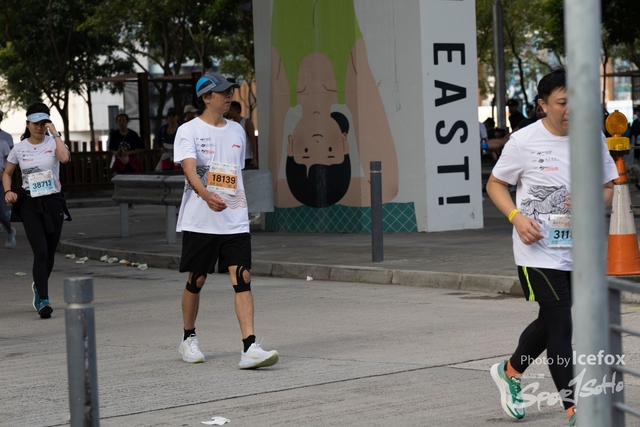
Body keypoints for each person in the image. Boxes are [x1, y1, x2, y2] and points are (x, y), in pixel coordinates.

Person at [486, 68, 618, 427]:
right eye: (562, 102)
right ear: (543, 105)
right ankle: (575, 410)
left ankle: (509, 372)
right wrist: (516, 217)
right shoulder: (523, 141)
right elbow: (495, 184)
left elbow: (608, 188)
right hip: (537, 250)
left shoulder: (592, 137)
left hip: (578, 250)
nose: (571, 108)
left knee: (551, 319)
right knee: (561, 322)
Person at [173, 71, 279, 369]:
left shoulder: (237, 131)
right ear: (206, 97)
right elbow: (189, 170)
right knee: (197, 278)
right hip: (200, 220)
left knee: (242, 276)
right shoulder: (188, 130)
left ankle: (250, 347)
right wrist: (206, 195)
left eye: (230, 90)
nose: (229, 95)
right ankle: (188, 338)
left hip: (234, 219)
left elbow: (233, 173)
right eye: (223, 92)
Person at [2, 102, 71, 318]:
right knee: (40, 251)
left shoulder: (54, 142)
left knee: (49, 252)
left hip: (53, 202)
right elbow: (7, 173)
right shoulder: (19, 148)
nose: (39, 127)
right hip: (30, 203)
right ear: (27, 124)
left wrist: (55, 133)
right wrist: (8, 191)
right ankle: (43, 299)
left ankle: (38, 286)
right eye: (35, 123)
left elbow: (64, 158)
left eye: (43, 123)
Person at [0, 110, 16, 248]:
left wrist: (5, 174)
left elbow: (11, 161)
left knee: (0, 212)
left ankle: (10, 231)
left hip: (0, 180)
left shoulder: (4, 141)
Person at [226, 101, 258, 169]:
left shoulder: (246, 122)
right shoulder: (231, 124)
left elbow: (253, 140)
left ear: (237, 111)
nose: (229, 112)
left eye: (231, 110)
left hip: (247, 157)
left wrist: (254, 158)